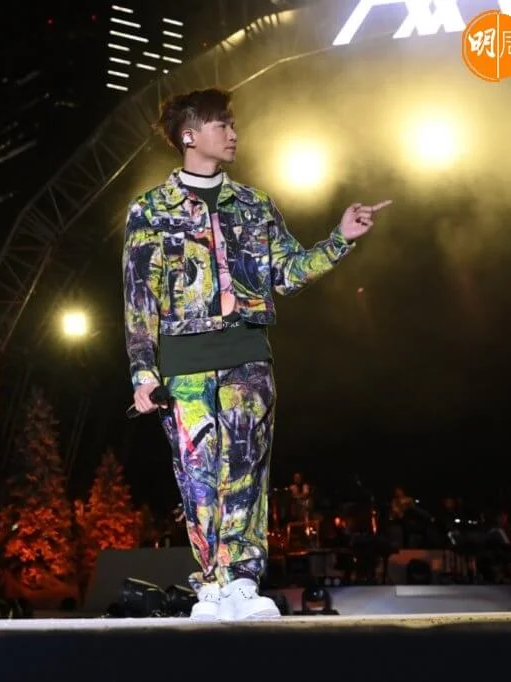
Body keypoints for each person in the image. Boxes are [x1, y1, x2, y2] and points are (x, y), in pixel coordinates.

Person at [122, 89, 390, 621]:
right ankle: (211, 586)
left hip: (247, 358)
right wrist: (142, 373)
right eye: (221, 125)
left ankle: (242, 583)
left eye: (233, 124)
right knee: (198, 479)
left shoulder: (255, 204)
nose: (233, 133)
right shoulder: (149, 210)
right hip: (183, 366)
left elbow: (287, 274)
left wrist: (339, 238)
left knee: (246, 472)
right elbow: (139, 297)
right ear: (189, 135)